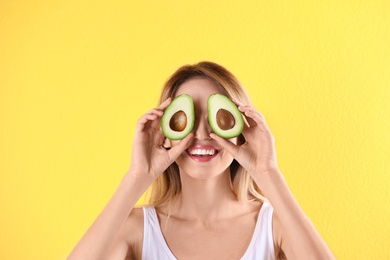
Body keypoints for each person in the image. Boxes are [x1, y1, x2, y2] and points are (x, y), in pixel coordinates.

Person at [68, 61, 335, 260]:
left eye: (217, 118)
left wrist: (267, 171)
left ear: (241, 126)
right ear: (165, 132)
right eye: (186, 118)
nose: (202, 133)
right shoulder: (137, 228)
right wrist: (138, 175)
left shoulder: (274, 225)